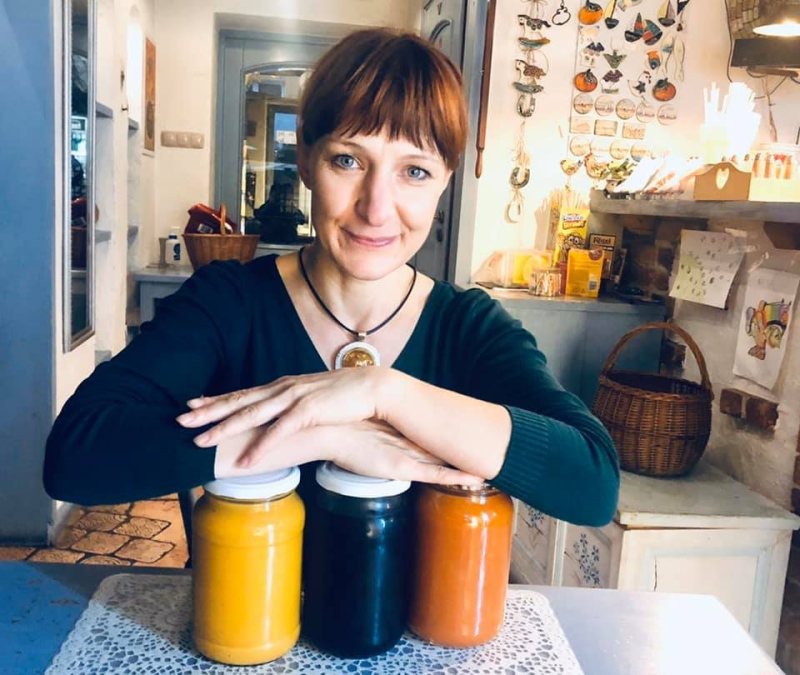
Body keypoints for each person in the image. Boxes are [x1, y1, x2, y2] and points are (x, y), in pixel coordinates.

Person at [44, 28, 619, 527]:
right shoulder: (228, 304)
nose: (376, 208)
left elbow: (592, 484)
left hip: (414, 624)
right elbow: (75, 455)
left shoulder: (470, 328)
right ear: (306, 161)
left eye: (415, 172)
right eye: (348, 161)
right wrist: (322, 435)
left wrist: (384, 393)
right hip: (241, 618)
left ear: (445, 182)